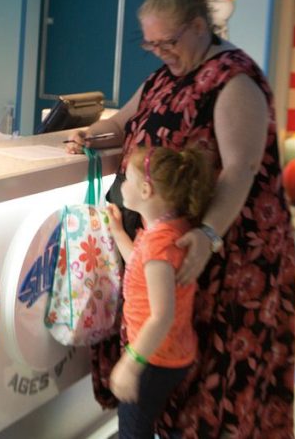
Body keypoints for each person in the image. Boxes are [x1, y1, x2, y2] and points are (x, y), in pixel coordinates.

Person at [68, 0, 295, 438]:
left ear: (198, 26)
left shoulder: (234, 80)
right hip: (170, 246)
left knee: (214, 380)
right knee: (169, 371)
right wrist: (90, 134)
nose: (160, 51)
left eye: (168, 41)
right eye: (150, 44)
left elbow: (241, 169)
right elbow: (122, 122)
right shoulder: (163, 77)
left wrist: (209, 235)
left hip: (225, 253)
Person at [108, 145, 215, 439]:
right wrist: (118, 232)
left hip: (154, 358)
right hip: (167, 352)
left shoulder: (159, 244)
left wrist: (131, 363)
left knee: (133, 429)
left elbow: (162, 316)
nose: (122, 186)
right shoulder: (168, 230)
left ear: (145, 190)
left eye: (127, 179)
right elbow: (139, 265)